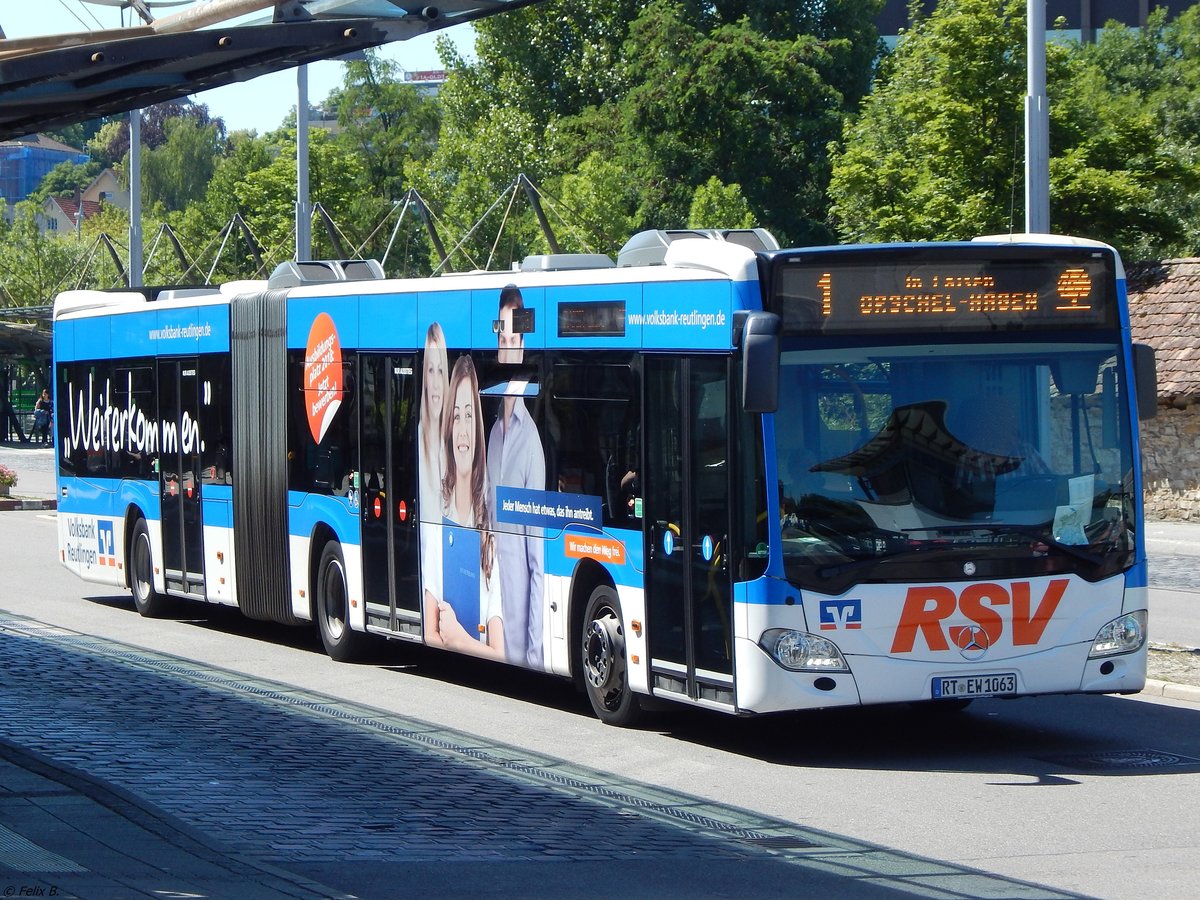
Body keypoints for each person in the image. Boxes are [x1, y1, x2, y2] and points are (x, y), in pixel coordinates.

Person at [427, 355, 505, 659]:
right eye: (456, 415)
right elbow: (428, 633)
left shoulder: (489, 537)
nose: (462, 429)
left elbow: (503, 654)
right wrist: (470, 645)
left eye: (470, 415)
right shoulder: (436, 524)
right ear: (449, 427)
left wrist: (460, 641)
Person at [487, 285, 546, 669]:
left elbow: (538, 562)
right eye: (502, 336)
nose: (508, 346)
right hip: (489, 620)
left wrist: (534, 656)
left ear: (524, 345)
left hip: (516, 645)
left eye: (515, 337)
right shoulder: (493, 434)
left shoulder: (531, 441)